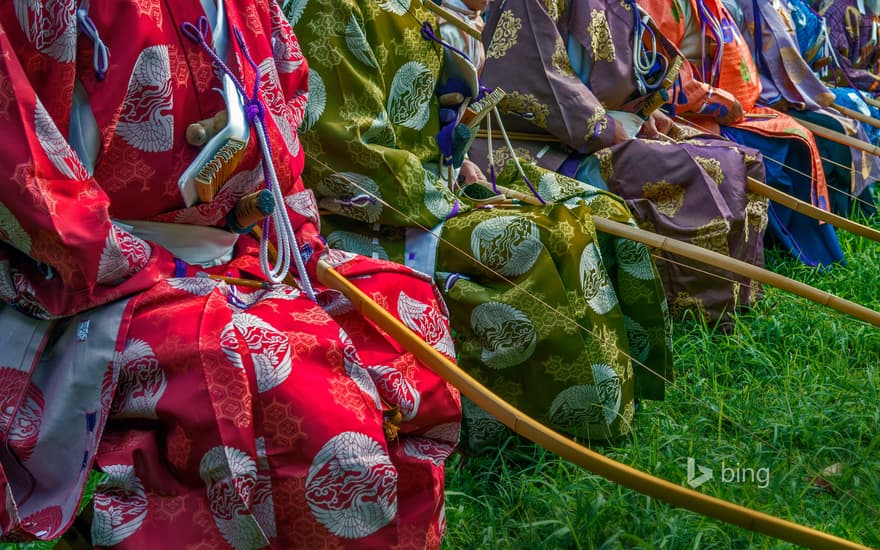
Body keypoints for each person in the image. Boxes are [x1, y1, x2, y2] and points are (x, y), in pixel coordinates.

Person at [0, 1, 461, 547]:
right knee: (269, 362)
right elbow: (23, 170)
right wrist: (150, 264)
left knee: (399, 307)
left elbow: (281, 125)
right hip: (86, 278)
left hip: (236, 246)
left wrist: (288, 238)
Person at [289, 0, 674, 449]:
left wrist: (463, 161)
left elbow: (438, 113)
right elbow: (347, 154)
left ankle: (632, 386)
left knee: (602, 211)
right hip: (370, 214)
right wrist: (447, 198)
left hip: (438, 182)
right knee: (537, 238)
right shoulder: (328, 7)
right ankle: (545, 428)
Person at [474, 0, 769, 326]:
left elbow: (620, 73)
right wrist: (609, 128)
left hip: (596, 132)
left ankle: (742, 296)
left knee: (740, 159)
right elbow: (542, 80)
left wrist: (643, 111)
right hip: (534, 147)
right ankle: (700, 313)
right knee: (701, 169)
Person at [640, 0, 846, 268]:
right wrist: (719, 102)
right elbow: (659, 74)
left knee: (799, 133)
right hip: (682, 113)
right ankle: (789, 248)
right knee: (777, 147)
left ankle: (808, 248)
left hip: (726, 103)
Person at [724, 0, 879, 217]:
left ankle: (856, 209)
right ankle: (838, 213)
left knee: (846, 120)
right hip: (755, 95)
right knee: (835, 126)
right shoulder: (737, 6)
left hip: (790, 88)